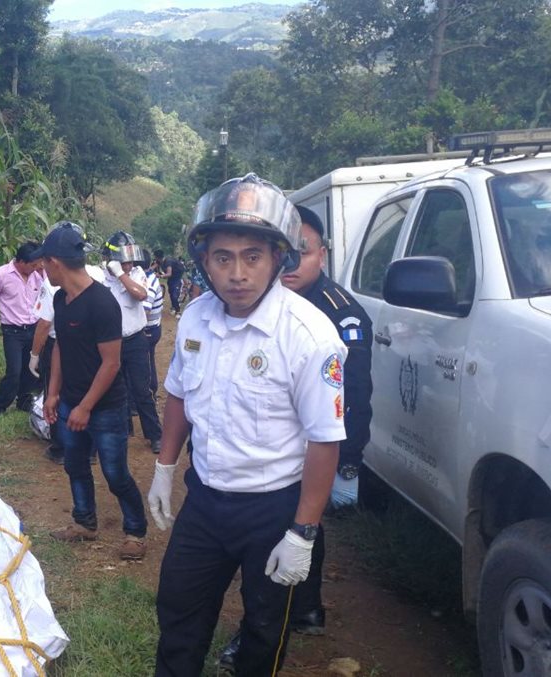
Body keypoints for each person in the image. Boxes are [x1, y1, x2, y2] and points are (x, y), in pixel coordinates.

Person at [148, 174, 347, 676]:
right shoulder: (194, 319)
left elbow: (325, 439)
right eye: (222, 257)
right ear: (204, 261)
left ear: (278, 258)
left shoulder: (308, 336)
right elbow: (177, 392)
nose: (237, 273)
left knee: (264, 626)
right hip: (207, 499)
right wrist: (164, 468)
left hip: (272, 507)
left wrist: (303, 532)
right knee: (179, 609)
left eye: (252, 256)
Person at [215, 205, 376, 668]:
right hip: (274, 453)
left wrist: (349, 460)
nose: (290, 265)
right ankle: (300, 608)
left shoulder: (339, 316)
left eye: (301, 253)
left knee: (302, 534)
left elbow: (356, 397)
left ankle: (296, 612)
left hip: (319, 447)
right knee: (283, 542)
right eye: (285, 254)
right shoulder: (258, 302)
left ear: (321, 255)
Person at [39, 224, 148, 561]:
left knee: (115, 473)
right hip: (72, 400)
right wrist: (54, 393)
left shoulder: (102, 303)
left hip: (105, 407)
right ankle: (84, 522)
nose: (44, 269)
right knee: (75, 465)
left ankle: (135, 531)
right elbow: (60, 348)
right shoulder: (61, 298)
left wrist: (85, 407)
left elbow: (111, 364)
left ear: (55, 262)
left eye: (45, 263)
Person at [28, 223, 104, 465]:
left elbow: (43, 323)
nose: (42, 266)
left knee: (60, 395)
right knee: (90, 392)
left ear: (55, 260)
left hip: (60, 344)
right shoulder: (98, 274)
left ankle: (62, 447)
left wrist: (35, 354)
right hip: (94, 346)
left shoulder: (54, 283)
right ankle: (91, 449)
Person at [102, 231, 162, 454]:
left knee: (141, 389)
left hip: (136, 340)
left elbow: (140, 295)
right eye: (123, 261)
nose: (128, 264)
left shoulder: (137, 274)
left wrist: (120, 275)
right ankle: (123, 430)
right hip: (111, 342)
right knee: (116, 389)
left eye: (130, 260)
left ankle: (155, 434)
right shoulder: (100, 277)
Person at [0, 242, 45, 415]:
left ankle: (24, 401)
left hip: (33, 328)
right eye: (33, 264)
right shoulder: (1, 275)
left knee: (30, 368)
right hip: (13, 331)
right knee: (14, 371)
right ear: (21, 261)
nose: (36, 267)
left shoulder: (37, 275)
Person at [139, 252, 165, 398]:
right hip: (153, 327)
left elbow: (144, 311)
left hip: (147, 330)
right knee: (149, 360)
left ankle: (149, 393)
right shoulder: (149, 277)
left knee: (145, 364)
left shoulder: (147, 282)